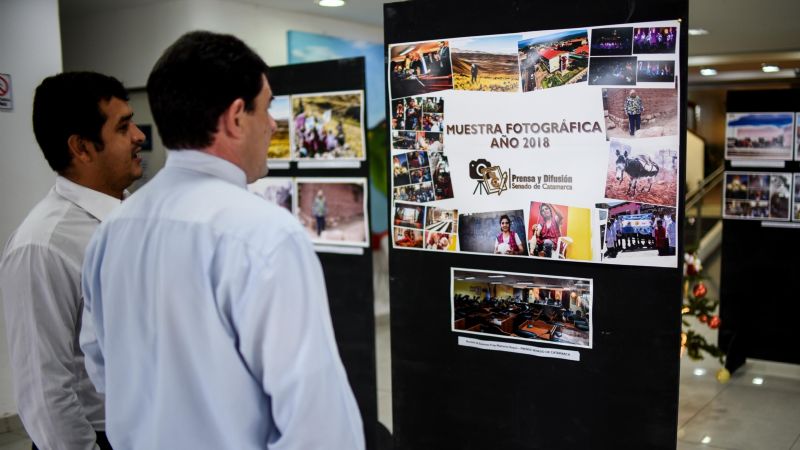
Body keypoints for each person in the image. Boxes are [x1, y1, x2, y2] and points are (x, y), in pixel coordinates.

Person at [79, 31, 364, 449]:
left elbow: (101, 366)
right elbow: (318, 424)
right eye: (266, 108)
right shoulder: (265, 235)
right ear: (235, 117)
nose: (272, 125)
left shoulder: (112, 230)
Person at [0, 72, 145, 450]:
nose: (139, 136)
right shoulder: (42, 246)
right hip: (97, 436)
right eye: (123, 127)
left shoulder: (133, 215)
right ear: (81, 147)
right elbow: (44, 393)